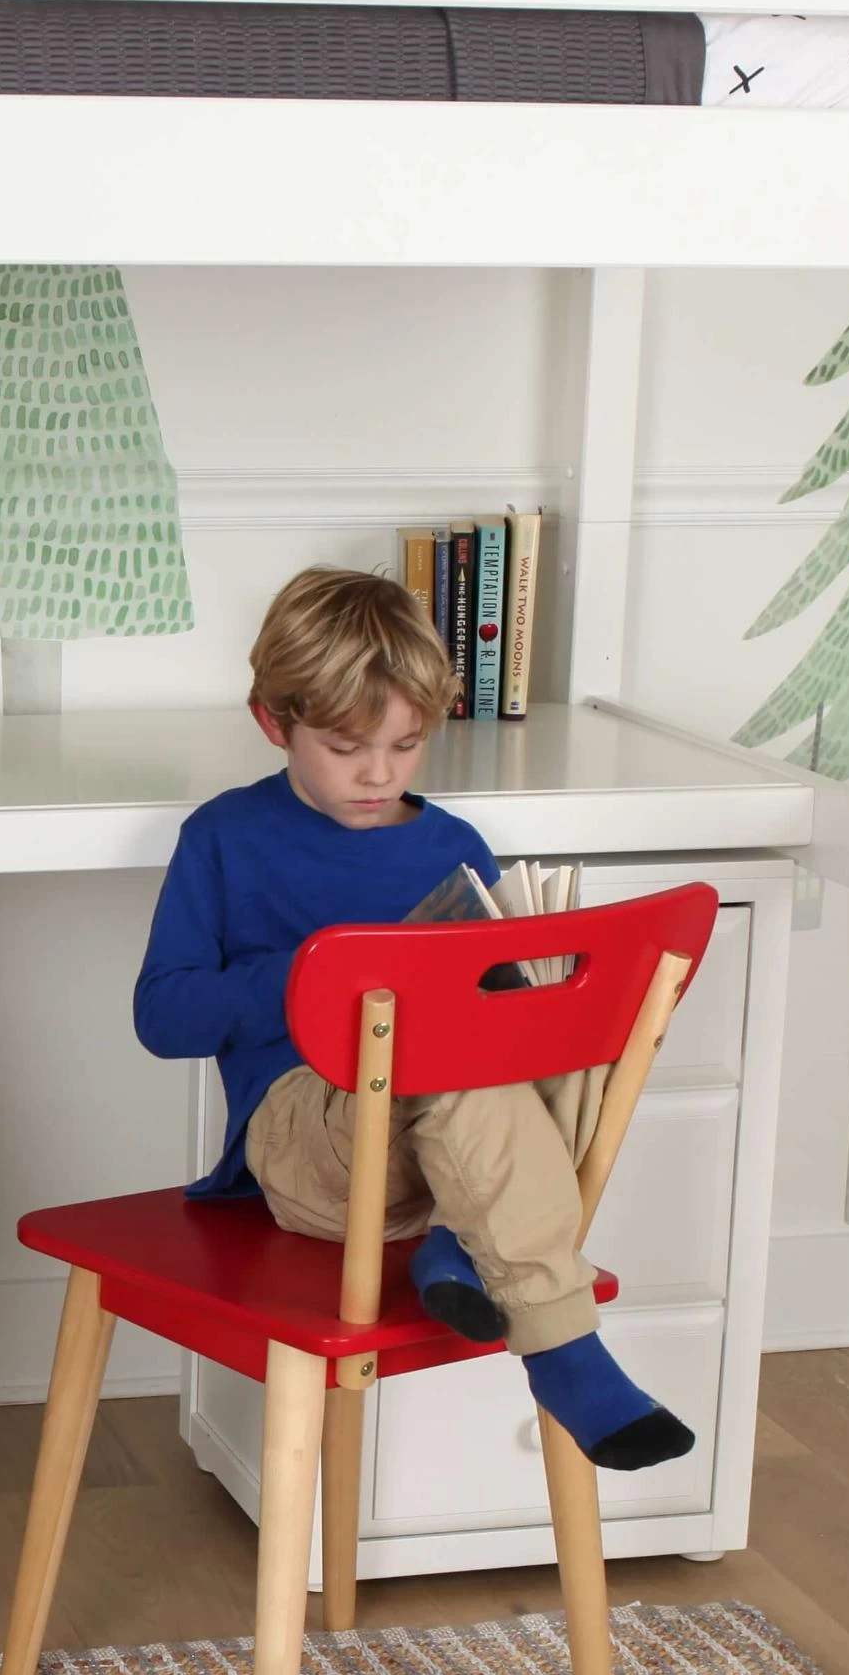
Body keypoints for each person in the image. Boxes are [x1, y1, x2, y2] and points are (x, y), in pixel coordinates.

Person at [132, 567, 693, 1469]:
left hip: (451, 1165)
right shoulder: (225, 836)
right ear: (273, 722)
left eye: (404, 744)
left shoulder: (452, 847)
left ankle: (456, 1250)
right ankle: (562, 1349)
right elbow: (163, 1017)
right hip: (309, 1143)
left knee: (559, 1044)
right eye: (345, 747)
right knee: (440, 1057)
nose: (378, 773)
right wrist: (318, 979)